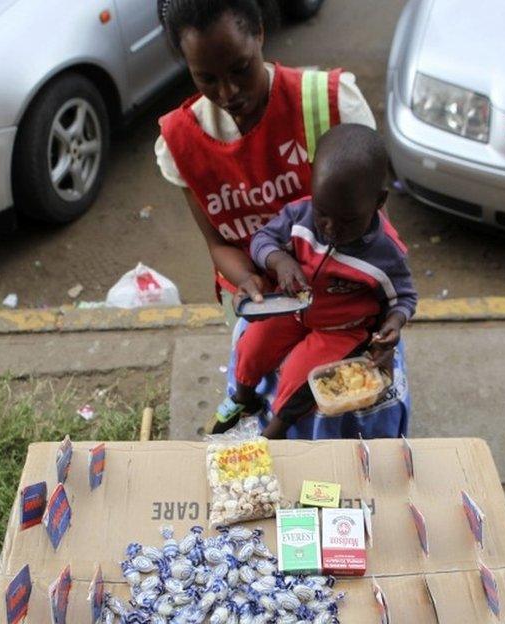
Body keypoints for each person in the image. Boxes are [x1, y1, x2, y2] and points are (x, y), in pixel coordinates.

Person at [155, 0, 411, 439]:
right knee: (253, 368)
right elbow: (219, 244)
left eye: (240, 69)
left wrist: (382, 322)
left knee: (330, 413)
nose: (229, 93)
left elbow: (374, 233)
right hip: (262, 304)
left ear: (259, 33)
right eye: (206, 78)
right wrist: (253, 282)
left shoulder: (330, 103)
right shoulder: (180, 141)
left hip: (344, 308)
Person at [212, 124, 417, 438]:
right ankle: (243, 398)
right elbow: (261, 241)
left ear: (378, 202)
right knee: (251, 346)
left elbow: (404, 297)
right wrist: (280, 260)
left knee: (301, 375)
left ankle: (275, 431)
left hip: (343, 328)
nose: (331, 228)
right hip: (295, 309)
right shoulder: (300, 215)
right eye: (323, 213)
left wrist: (395, 321)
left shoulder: (385, 253)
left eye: (347, 220)